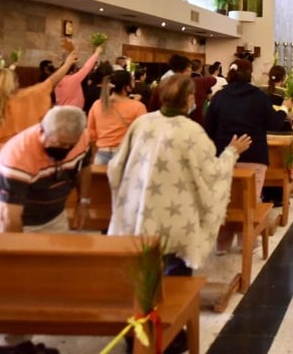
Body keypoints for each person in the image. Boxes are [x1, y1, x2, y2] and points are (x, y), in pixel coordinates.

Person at [108, 74, 252, 272]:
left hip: (142, 210)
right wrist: (232, 151)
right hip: (179, 216)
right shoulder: (192, 132)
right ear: (190, 99)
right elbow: (212, 172)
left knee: (145, 271)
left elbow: (116, 167)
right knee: (176, 268)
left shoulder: (142, 124)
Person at [204, 59, 287, 253]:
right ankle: (246, 241)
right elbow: (273, 123)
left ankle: (222, 243)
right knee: (249, 199)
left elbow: (208, 127)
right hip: (254, 154)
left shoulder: (219, 97)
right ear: (250, 75)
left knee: (225, 197)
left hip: (225, 154)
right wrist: (283, 110)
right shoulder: (259, 96)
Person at [0, 105, 92, 233]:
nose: (65, 148)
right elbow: (8, 218)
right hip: (9, 218)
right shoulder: (18, 155)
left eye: (70, 145)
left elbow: (85, 167)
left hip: (53, 215)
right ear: (42, 130)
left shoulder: (83, 137)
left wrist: (83, 201)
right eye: (59, 143)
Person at [0, 51, 78, 161]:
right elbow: (50, 82)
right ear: (12, 82)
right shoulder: (24, 98)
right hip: (17, 154)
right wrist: (67, 64)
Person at [87, 70, 147, 166]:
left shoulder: (97, 104)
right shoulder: (138, 107)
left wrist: (94, 155)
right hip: (124, 156)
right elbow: (143, 134)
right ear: (127, 87)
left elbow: (91, 133)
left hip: (101, 154)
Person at [54, 44, 103, 108]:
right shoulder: (73, 79)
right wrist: (97, 52)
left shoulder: (56, 79)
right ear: (73, 71)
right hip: (73, 111)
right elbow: (86, 67)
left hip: (60, 109)